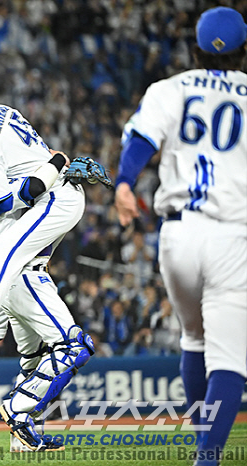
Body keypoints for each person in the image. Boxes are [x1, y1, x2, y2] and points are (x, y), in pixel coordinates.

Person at [114, 7, 246, 466]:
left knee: (194, 338)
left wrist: (125, 184)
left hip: (179, 236)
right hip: (233, 236)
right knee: (229, 357)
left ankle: (200, 447)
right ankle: (207, 459)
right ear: (244, 51)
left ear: (193, 48)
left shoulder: (170, 88)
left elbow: (141, 143)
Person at [0, 133, 95, 452]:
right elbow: (28, 193)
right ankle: (17, 411)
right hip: (24, 276)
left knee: (33, 360)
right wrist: (59, 166)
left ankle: (21, 439)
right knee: (74, 346)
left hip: (12, 278)